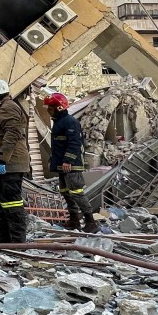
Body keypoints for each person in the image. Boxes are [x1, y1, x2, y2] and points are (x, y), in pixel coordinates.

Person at [43, 92, 99, 233]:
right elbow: (58, 145)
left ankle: (90, 221)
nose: (49, 110)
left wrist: (68, 160)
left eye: (51, 107)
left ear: (59, 107)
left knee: (76, 192)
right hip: (62, 165)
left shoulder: (70, 122)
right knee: (66, 192)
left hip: (71, 165)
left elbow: (74, 143)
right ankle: (74, 220)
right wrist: (53, 161)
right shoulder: (59, 122)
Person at [0, 79, 29, 243]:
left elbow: (12, 133)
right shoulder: (0, 108)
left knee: (11, 201)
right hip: (0, 164)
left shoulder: (8, 107)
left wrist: (2, 159)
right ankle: (4, 236)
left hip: (10, 163)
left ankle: (17, 240)